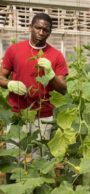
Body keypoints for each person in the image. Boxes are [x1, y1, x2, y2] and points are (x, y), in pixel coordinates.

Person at [0, 13, 68, 151]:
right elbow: (1, 77)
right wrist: (9, 84)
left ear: (50, 32)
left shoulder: (56, 55)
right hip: (17, 114)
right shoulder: (14, 50)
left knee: (40, 158)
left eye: (46, 30)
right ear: (30, 27)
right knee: (14, 156)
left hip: (43, 116)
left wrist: (51, 74)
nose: (41, 32)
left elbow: (63, 89)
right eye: (38, 28)